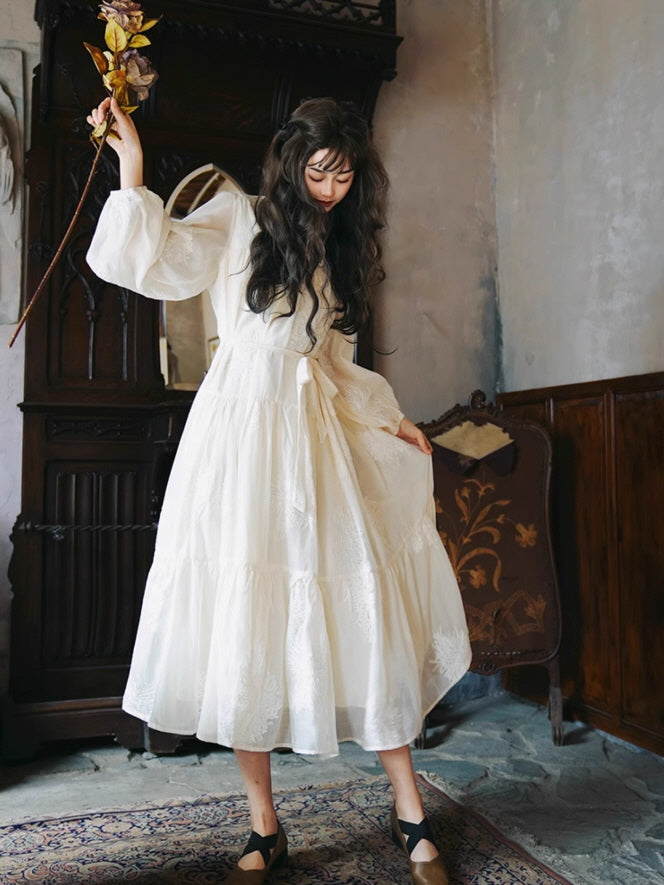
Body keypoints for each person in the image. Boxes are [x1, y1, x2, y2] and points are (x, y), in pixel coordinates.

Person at [86, 94, 472, 885]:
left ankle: (410, 810)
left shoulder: (331, 252)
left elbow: (332, 364)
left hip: (312, 438)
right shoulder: (237, 218)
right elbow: (154, 259)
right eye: (319, 173)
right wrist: (132, 169)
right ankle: (265, 826)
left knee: (362, 612)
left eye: (344, 177)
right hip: (236, 440)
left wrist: (390, 418)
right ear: (292, 164)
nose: (330, 189)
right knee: (244, 624)